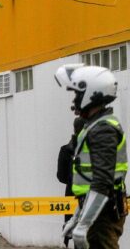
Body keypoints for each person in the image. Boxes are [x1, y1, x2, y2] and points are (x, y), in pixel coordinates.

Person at [56, 64, 127, 249]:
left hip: (102, 216)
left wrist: (84, 223)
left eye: (78, 94)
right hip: (97, 212)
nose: (75, 100)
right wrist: (78, 217)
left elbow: (102, 182)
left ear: (92, 94)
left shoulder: (103, 129)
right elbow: (91, 182)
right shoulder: (94, 126)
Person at [57, 116, 86, 227]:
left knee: (77, 233)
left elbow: (61, 176)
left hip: (73, 196)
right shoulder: (97, 148)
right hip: (95, 198)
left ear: (74, 129)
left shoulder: (66, 150)